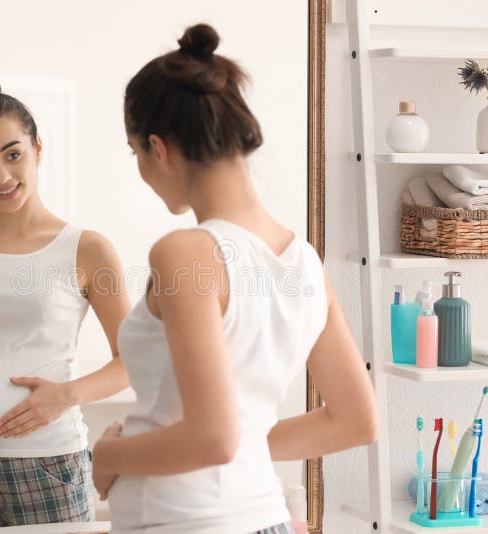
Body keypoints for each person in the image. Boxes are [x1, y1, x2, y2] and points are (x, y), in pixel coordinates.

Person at [91, 24, 378, 534]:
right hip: (262, 517)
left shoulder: (187, 253)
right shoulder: (304, 262)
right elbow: (355, 421)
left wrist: (112, 454)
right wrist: (243, 448)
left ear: (159, 148)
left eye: (136, 153)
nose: (141, 168)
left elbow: (213, 439)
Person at [0, 79, 131, 533]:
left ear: (39, 147)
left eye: (12, 154)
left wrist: (68, 394)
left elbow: (135, 362)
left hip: (48, 466)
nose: (0, 177)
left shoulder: (87, 248)